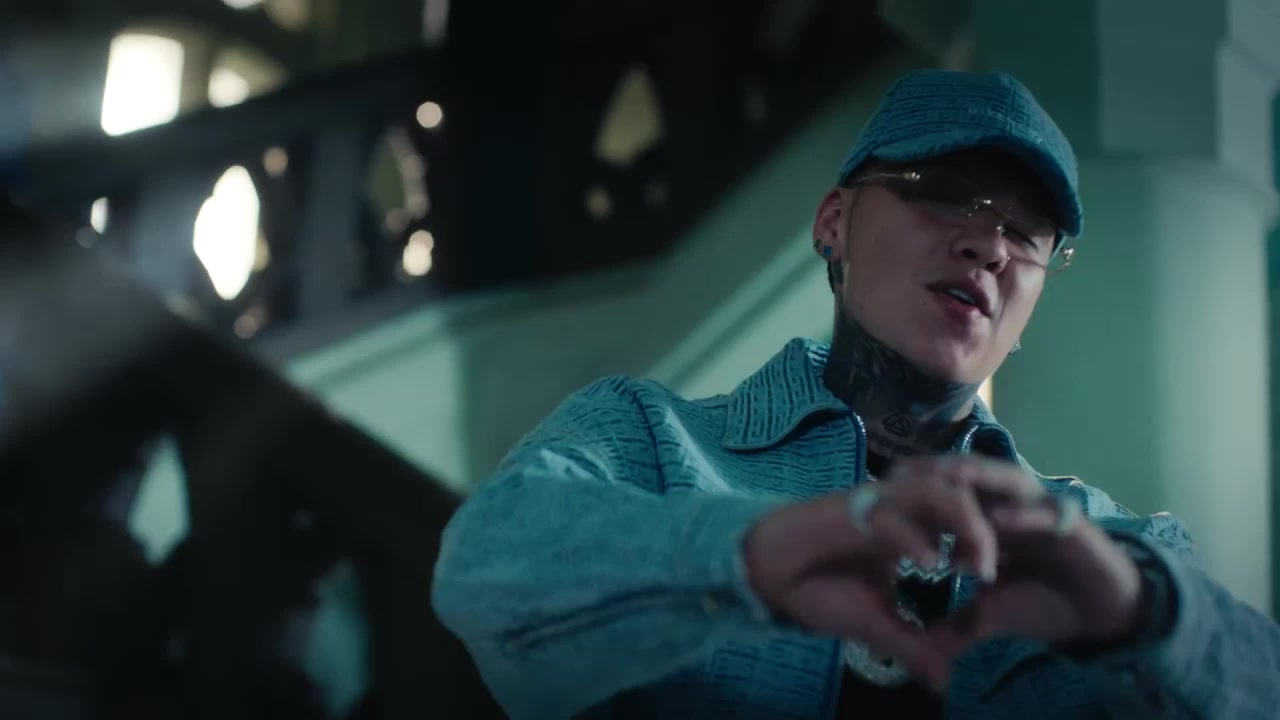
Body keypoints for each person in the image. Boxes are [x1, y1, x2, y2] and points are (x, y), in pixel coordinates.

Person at [431, 69, 1280, 719]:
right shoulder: (646, 439)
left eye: (1025, 233)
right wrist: (749, 558)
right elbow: (484, 567)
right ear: (834, 223)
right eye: (943, 193)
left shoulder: (1110, 542)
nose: (989, 245)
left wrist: (1139, 615)